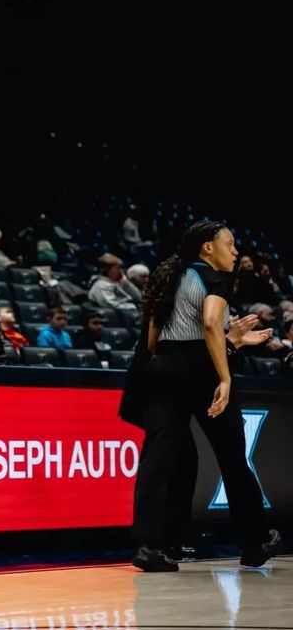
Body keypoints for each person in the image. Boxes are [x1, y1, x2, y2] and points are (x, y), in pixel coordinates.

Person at [132, 221, 281, 572]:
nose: (235, 251)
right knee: (232, 458)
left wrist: (231, 341)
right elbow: (212, 323)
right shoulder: (217, 278)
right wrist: (225, 376)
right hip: (202, 374)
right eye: (229, 244)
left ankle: (150, 547)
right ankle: (255, 542)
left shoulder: (167, 278)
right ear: (207, 248)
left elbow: (153, 342)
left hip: (162, 370)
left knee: (158, 460)